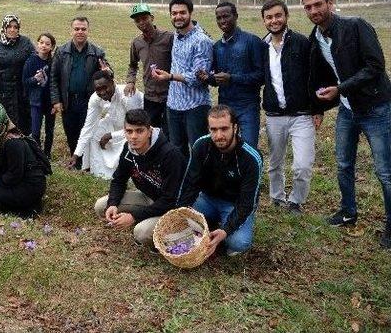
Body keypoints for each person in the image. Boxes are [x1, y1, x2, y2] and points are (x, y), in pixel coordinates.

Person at [304, 0, 391, 248]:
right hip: (347, 109)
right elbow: (319, 73)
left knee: (385, 171)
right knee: (343, 164)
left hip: (376, 107)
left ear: (330, 3)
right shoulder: (316, 37)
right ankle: (348, 211)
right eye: (308, 7)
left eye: (318, 4)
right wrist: (318, 107)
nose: (313, 11)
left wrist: (341, 88)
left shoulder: (356, 26)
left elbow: (376, 66)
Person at [260, 0, 323, 214]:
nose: (274, 20)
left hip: (302, 114)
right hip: (274, 115)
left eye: (278, 15)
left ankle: (296, 200)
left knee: (302, 165)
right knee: (275, 162)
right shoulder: (262, 46)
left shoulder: (302, 43)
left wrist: (318, 108)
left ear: (286, 16)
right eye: (269, 17)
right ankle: (277, 197)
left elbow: (315, 77)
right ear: (264, 21)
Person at [176, 105, 263, 257]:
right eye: (213, 130)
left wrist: (226, 230)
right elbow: (190, 182)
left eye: (224, 129)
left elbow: (248, 202)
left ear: (235, 128)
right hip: (207, 199)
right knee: (181, 223)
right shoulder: (201, 145)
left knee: (239, 243)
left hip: (234, 205)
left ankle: (219, 229)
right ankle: (209, 225)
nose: (218, 135)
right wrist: (181, 211)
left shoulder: (251, 158)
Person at [94, 109, 185, 247]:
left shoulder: (170, 155)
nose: (133, 137)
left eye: (139, 131)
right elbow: (119, 179)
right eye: (129, 131)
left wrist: (134, 216)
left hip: (173, 207)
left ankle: (179, 232)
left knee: (141, 233)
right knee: (102, 206)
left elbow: (169, 200)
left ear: (149, 131)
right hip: (147, 197)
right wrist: (113, 203)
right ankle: (148, 221)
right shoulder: (128, 148)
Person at [197, 2, 266, 148]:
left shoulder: (251, 41)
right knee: (225, 147)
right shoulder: (217, 47)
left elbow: (261, 76)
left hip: (248, 106)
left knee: (249, 148)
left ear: (235, 16)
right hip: (225, 105)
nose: (222, 21)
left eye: (226, 16)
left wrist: (232, 78)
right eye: (219, 18)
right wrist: (207, 78)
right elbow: (217, 80)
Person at [151, 0, 213, 156]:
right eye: (174, 13)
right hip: (174, 104)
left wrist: (170, 77)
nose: (178, 16)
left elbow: (198, 77)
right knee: (177, 149)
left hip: (195, 106)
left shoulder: (201, 40)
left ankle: (200, 181)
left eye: (182, 13)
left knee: (199, 150)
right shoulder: (176, 36)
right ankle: (181, 180)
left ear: (190, 13)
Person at [51, 16, 111, 168]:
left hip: (88, 100)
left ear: (88, 31)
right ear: (71, 30)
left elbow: (109, 75)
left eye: (83, 29)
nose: (80, 32)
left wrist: (108, 72)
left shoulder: (97, 53)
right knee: (71, 131)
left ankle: (88, 162)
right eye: (77, 29)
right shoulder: (61, 51)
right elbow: (53, 77)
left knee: (87, 131)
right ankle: (76, 160)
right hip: (68, 100)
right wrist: (56, 100)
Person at [68, 70, 144, 179]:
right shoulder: (95, 98)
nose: (102, 92)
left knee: (129, 140)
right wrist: (76, 155)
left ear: (112, 83)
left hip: (137, 127)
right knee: (94, 134)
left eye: (105, 87)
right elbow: (88, 127)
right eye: (98, 89)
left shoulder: (127, 95)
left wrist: (111, 135)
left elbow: (136, 127)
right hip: (115, 123)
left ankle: (122, 173)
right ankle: (99, 172)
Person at [125, 3, 173, 128]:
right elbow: (132, 65)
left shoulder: (168, 38)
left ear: (152, 18)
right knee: (151, 131)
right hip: (150, 96)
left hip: (170, 95)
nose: (141, 22)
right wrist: (131, 81)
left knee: (170, 131)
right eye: (137, 20)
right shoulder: (137, 43)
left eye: (144, 18)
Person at [0, 14, 35, 134]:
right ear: (4, 27)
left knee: (25, 121)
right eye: (9, 26)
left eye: (15, 27)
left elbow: (35, 60)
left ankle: (25, 145)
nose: (12, 29)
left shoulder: (26, 42)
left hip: (23, 90)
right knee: (7, 123)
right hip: (5, 92)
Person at [22, 32, 56, 158]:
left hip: (50, 103)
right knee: (35, 130)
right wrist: (35, 79)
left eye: (47, 44)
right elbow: (24, 82)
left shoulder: (53, 62)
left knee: (49, 130)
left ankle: (47, 154)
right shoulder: (31, 61)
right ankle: (37, 154)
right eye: (41, 42)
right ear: (37, 44)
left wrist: (55, 102)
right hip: (36, 102)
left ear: (52, 47)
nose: (44, 46)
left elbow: (56, 83)